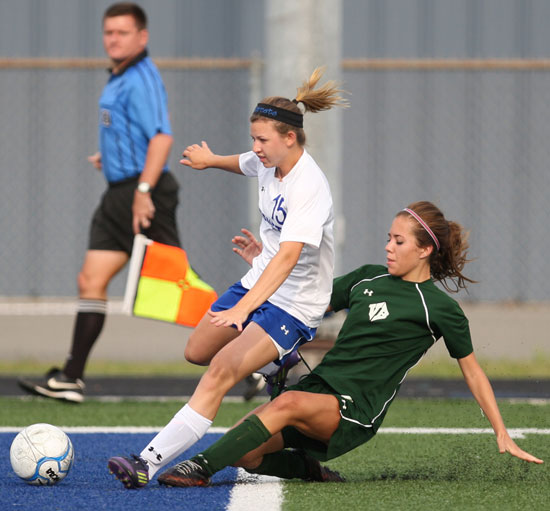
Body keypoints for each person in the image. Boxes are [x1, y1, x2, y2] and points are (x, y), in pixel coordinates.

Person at [151, 201, 543, 488]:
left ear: (425, 250)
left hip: (356, 410)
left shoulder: (440, 308)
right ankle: (308, 469)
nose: (389, 246)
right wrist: (263, 266)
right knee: (246, 452)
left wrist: (501, 431)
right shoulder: (366, 279)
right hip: (316, 390)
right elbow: (305, 305)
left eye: (399, 241)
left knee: (282, 406)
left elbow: (473, 372)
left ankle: (198, 467)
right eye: (388, 238)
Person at [107, 67, 349, 489]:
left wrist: (245, 306)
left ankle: (145, 462)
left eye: (262, 141)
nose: (255, 148)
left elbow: (290, 257)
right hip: (261, 281)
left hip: (293, 304)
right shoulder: (267, 162)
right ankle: (278, 360)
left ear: (290, 138)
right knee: (197, 350)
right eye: (253, 138)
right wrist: (209, 160)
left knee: (219, 371)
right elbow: (244, 164)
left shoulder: (309, 186)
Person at [18, 2, 180, 403]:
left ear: (142, 37)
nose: (113, 39)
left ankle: (260, 366)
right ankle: (71, 378)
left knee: (176, 288)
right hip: (120, 192)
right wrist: (111, 159)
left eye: (122, 32)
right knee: (90, 281)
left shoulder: (141, 76)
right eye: (109, 32)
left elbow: (161, 138)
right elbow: (132, 135)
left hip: (144, 193)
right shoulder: (118, 77)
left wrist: (142, 192)